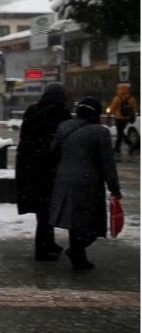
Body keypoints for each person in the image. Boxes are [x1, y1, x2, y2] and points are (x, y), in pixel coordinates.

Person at [48, 96, 122, 271]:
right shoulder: (100, 132)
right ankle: (77, 251)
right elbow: (108, 164)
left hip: (63, 180)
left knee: (74, 221)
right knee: (93, 223)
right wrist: (114, 188)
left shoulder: (64, 127)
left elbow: (53, 152)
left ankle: (78, 256)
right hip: (89, 183)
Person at [15, 82, 71, 261]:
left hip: (30, 167)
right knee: (48, 208)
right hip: (51, 167)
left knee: (42, 208)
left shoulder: (32, 111)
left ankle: (49, 242)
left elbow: (25, 138)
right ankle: (42, 249)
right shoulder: (62, 114)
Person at [108, 82, 139, 155]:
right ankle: (117, 148)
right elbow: (134, 108)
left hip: (118, 118)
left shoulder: (117, 98)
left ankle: (129, 144)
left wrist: (109, 116)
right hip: (126, 118)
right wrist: (132, 115)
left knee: (120, 132)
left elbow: (112, 107)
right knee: (120, 132)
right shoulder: (131, 98)